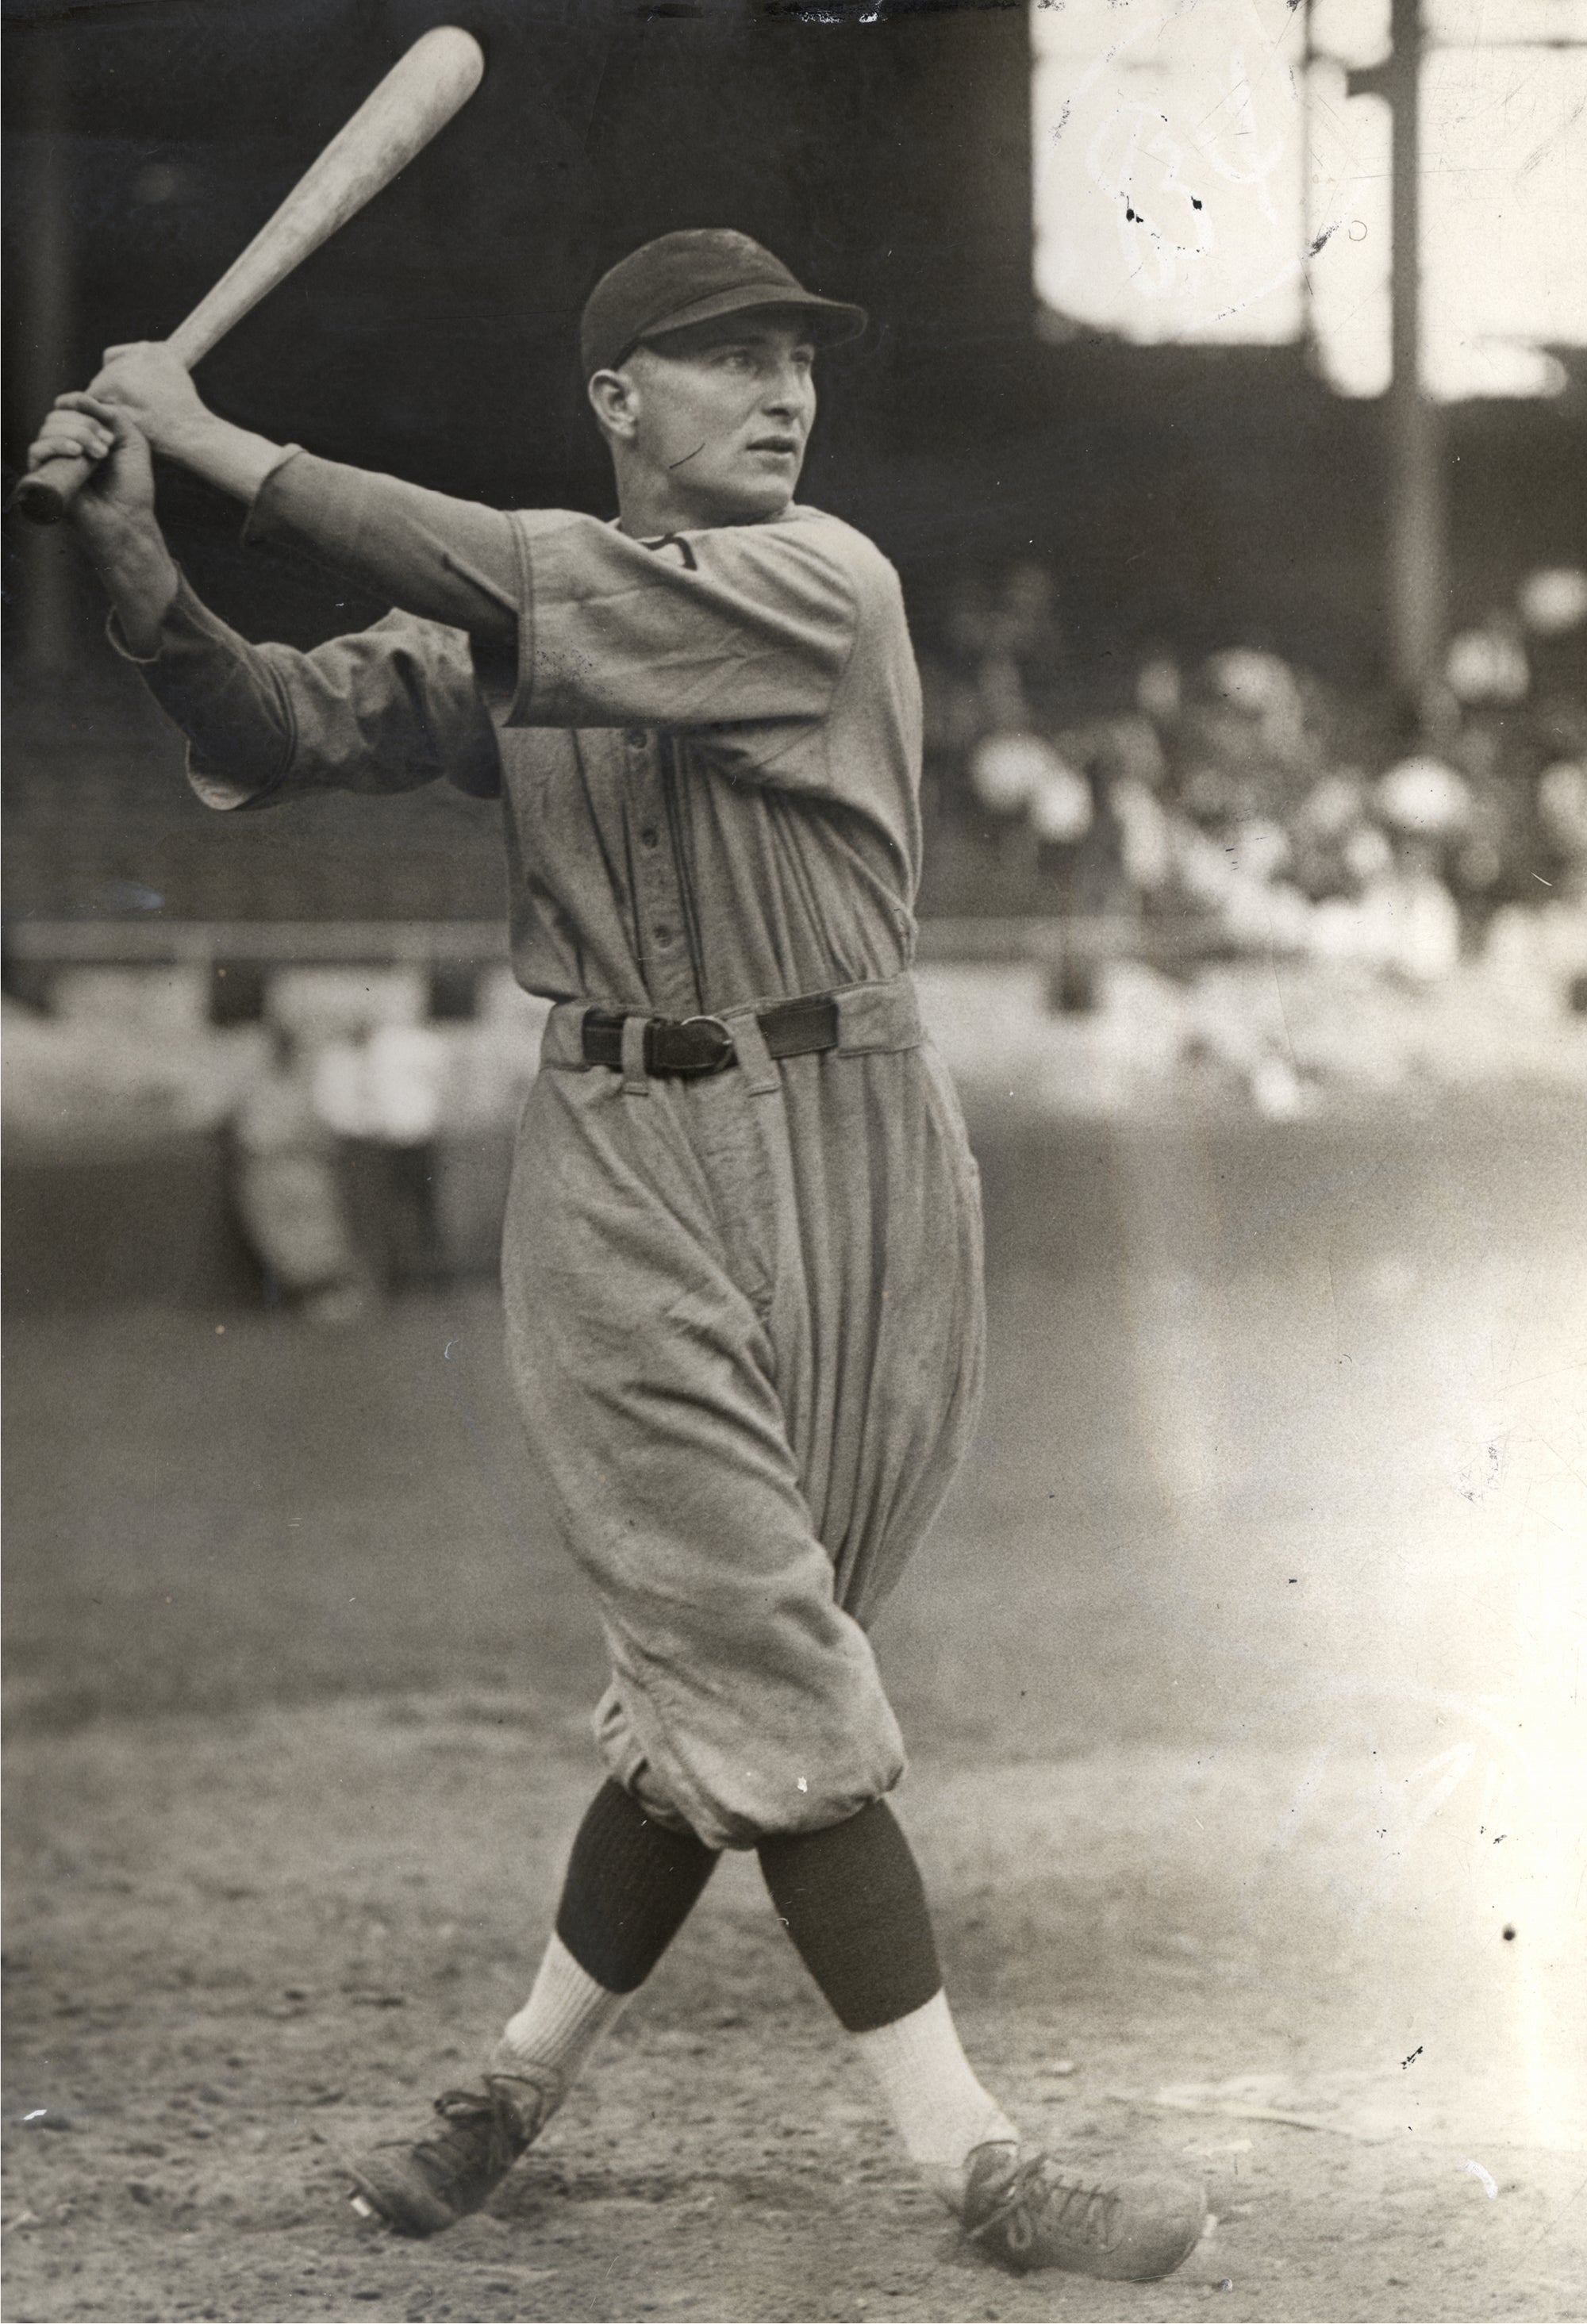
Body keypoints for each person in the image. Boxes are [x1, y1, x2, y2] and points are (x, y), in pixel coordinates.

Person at [28, 229, 1205, 2284]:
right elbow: (278, 720)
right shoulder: (520, 610)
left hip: (867, 1166)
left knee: (715, 1686)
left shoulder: (826, 582)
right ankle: (974, 2161)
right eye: (724, 358)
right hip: (619, 1164)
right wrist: (140, 549)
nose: (783, 391)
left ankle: (507, 2087)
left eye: (797, 358)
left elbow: (517, 580)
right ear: (615, 402)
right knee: (758, 1641)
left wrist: (205, 433)